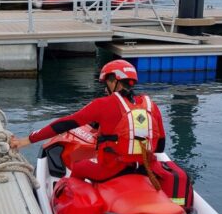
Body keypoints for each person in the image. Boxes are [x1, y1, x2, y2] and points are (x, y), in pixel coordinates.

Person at [10, 60, 168, 187]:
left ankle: (71, 201)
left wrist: (26, 140)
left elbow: (64, 124)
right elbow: (160, 147)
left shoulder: (103, 104)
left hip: (112, 171)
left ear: (114, 81)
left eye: (106, 83)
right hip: (146, 169)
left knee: (79, 167)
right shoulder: (151, 105)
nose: (105, 89)